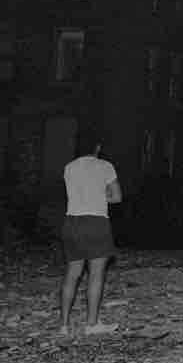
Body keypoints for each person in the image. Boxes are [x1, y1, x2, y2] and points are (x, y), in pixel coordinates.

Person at [59, 137, 122, 336]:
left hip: (72, 223)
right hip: (96, 222)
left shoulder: (69, 167)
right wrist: (101, 195)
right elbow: (117, 197)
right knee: (96, 274)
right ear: (98, 147)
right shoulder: (105, 166)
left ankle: (64, 325)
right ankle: (92, 324)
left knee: (72, 274)